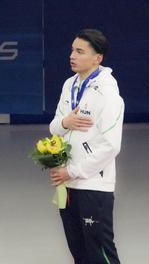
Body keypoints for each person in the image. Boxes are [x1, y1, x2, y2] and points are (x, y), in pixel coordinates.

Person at [49, 29, 124, 264]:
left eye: (80, 51)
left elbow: (111, 146)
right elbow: (54, 128)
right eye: (72, 49)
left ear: (97, 58)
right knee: (78, 250)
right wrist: (65, 122)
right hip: (66, 184)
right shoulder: (68, 85)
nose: (72, 55)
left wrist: (72, 171)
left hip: (93, 184)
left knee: (99, 251)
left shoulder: (108, 94)